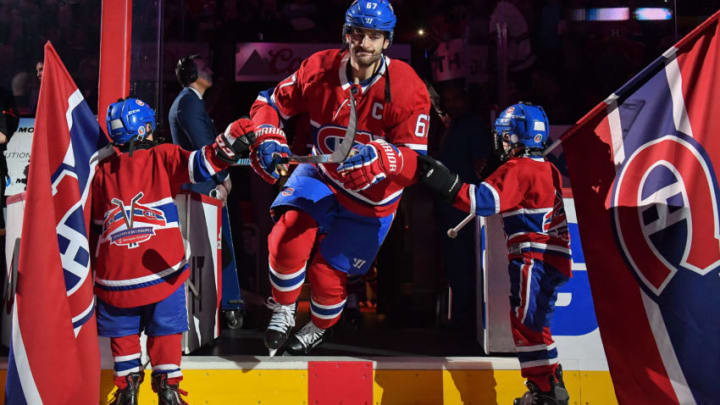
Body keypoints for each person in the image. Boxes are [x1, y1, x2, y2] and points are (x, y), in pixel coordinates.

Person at [248, 0, 430, 356]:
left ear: (387, 41)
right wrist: (267, 133)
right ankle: (283, 308)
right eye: (357, 33)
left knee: (326, 275)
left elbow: (414, 165)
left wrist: (385, 157)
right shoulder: (319, 67)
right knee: (288, 233)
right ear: (346, 33)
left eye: (373, 36)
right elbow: (267, 101)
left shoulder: (408, 87)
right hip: (323, 172)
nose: (364, 43)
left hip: (372, 194)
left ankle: (321, 324)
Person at [94, 98, 255, 405]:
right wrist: (229, 142)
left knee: (123, 330)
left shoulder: (103, 170)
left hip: (116, 274)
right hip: (160, 270)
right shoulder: (162, 155)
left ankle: (127, 389)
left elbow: (98, 224)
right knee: (166, 325)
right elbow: (203, 165)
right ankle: (167, 388)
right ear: (144, 128)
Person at [417, 102, 571, 405]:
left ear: (516, 137)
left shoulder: (519, 168)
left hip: (533, 260)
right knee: (535, 323)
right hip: (549, 257)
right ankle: (548, 383)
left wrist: (444, 181)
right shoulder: (547, 167)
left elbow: (482, 201)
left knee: (528, 326)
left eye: (503, 136)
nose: (500, 142)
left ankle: (546, 391)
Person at [168, 54, 245, 329]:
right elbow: (205, 146)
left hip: (201, 185)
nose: (210, 69)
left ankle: (225, 305)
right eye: (204, 67)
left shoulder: (189, 103)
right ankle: (229, 306)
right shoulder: (188, 104)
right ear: (191, 74)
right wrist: (223, 178)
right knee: (216, 248)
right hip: (204, 187)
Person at [434, 81, 491, 340]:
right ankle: (461, 316)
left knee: (464, 263)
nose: (451, 104)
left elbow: (481, 164)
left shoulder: (473, 125)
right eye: (447, 100)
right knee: (455, 263)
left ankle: (465, 319)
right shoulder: (453, 125)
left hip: (465, 206)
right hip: (449, 203)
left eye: (455, 99)